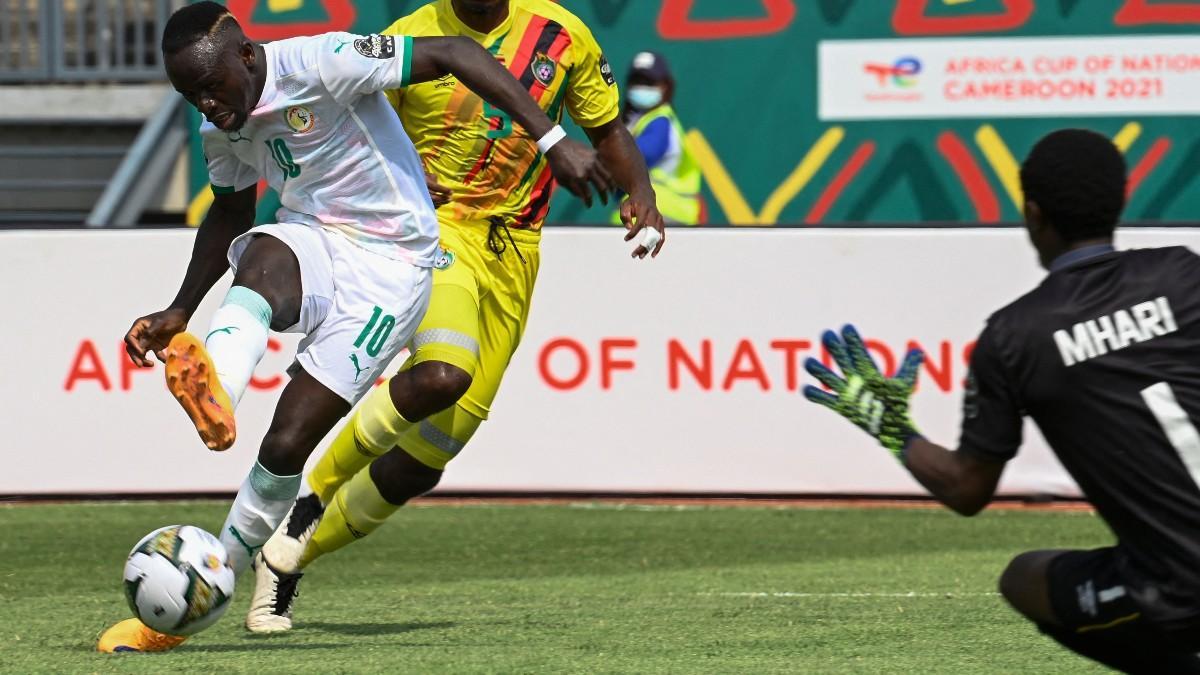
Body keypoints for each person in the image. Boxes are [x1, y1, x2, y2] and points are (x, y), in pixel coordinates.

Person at [98, 0, 613, 652]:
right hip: (314, 242)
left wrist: (551, 139)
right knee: (259, 252)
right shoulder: (222, 128)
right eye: (189, 95)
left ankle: (220, 570)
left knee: (287, 443)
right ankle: (218, 386)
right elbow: (229, 211)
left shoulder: (321, 61)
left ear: (248, 56)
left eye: (211, 85)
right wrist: (180, 309)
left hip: (393, 267)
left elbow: (457, 54)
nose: (205, 104)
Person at [247, 0, 666, 634]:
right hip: (435, 234)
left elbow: (607, 129)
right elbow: (354, 130)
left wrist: (642, 193)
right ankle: (305, 503)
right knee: (445, 371)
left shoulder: (560, 34)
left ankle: (289, 557)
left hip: (516, 250)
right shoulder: (410, 37)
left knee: (427, 458)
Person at [803, 129, 1200, 672]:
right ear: (1120, 200)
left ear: (1033, 213)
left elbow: (967, 489)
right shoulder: (1184, 274)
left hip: (1183, 587)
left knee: (1024, 579)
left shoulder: (1015, 337)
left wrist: (891, 426)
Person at [616, 50, 701, 226]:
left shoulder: (661, 120)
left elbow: (642, 154)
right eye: (637, 81)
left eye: (648, 82)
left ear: (665, 86)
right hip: (653, 212)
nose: (641, 87)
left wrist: (603, 159)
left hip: (664, 212)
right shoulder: (638, 121)